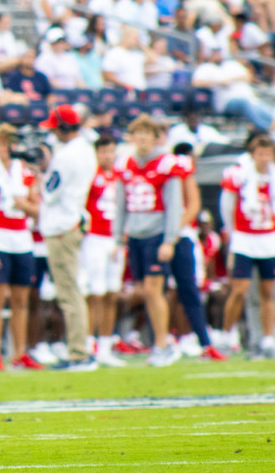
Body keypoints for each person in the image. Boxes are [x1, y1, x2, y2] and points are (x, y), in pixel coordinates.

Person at [114, 115, 188, 367]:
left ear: (154, 136)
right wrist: (117, 238)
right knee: (143, 292)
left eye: (147, 132)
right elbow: (120, 205)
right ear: (131, 137)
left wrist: (169, 239)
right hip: (135, 233)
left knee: (154, 291)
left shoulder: (166, 164)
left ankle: (163, 344)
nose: (143, 137)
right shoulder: (125, 164)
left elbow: (174, 205)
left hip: (156, 234)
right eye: (138, 133)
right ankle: (156, 340)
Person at [0, 124, 42, 372]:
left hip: (21, 239)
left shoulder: (25, 172)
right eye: (5, 142)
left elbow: (37, 208)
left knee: (22, 299)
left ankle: (19, 352)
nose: (9, 147)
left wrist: (24, 205)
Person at [219, 135, 275, 358]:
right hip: (244, 237)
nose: (264, 158)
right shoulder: (239, 174)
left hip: (269, 238)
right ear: (253, 155)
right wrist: (231, 236)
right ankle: (226, 336)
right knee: (239, 290)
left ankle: (268, 340)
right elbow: (227, 207)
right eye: (260, 154)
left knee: (268, 292)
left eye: (268, 154)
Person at [34, 105, 96, 371]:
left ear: (63, 128)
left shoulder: (67, 156)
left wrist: (39, 172)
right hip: (72, 222)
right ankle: (78, 350)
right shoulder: (86, 150)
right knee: (71, 292)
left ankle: (79, 353)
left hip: (62, 227)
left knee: (69, 294)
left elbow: (49, 192)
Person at [82, 134, 125, 368]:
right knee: (95, 293)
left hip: (115, 239)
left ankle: (105, 347)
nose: (108, 156)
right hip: (95, 238)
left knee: (112, 293)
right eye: (104, 152)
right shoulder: (91, 175)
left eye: (111, 151)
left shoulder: (120, 176)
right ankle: (89, 345)